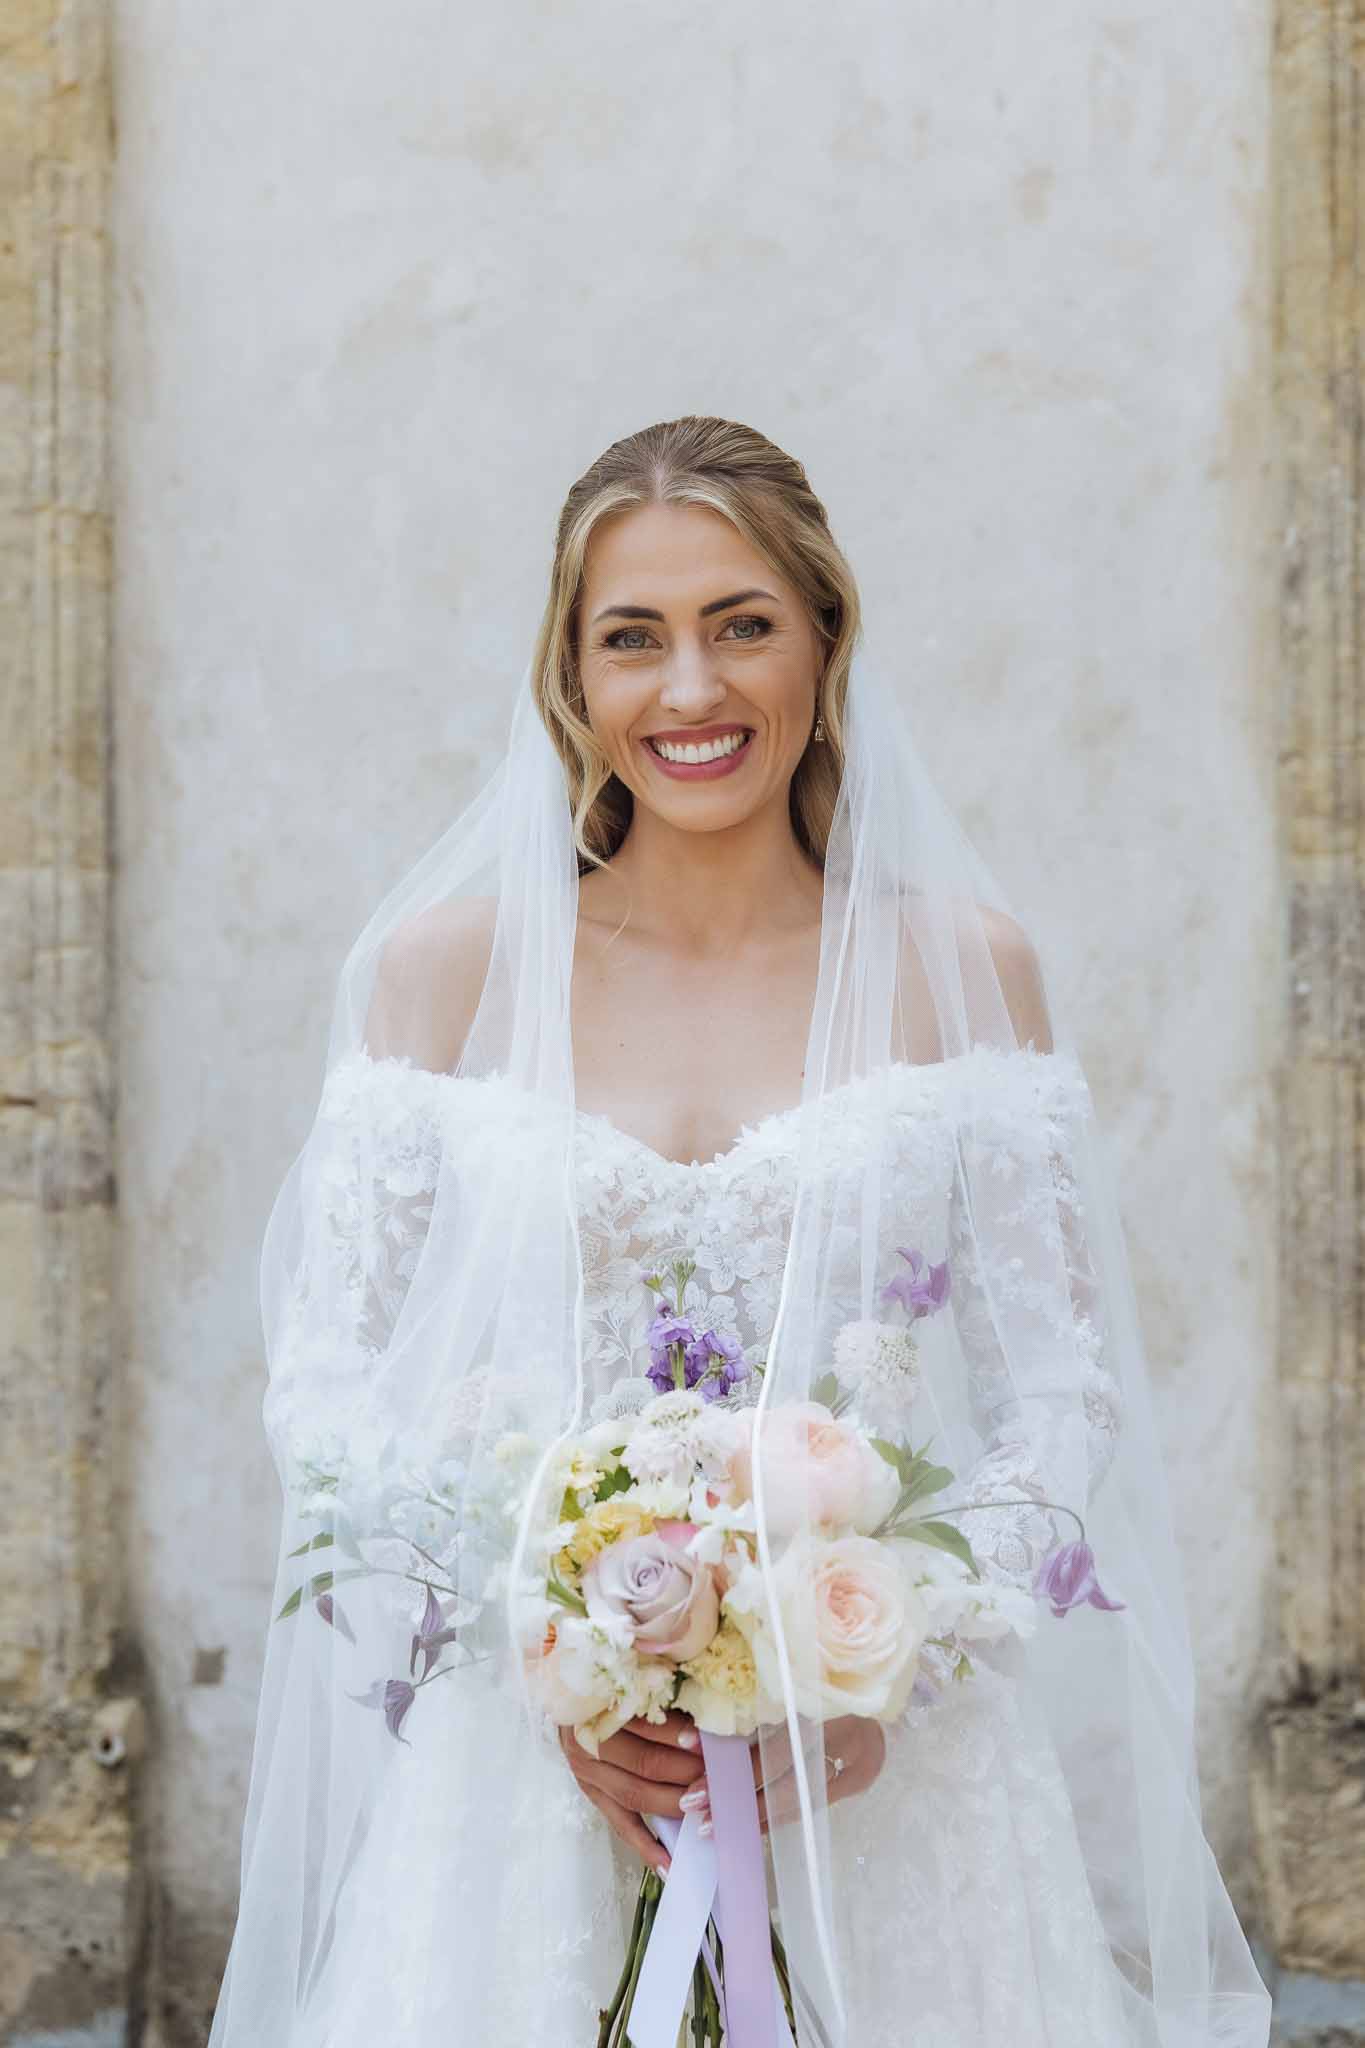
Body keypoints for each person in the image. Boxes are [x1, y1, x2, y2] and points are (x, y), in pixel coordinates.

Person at [209, 416, 1272, 2046]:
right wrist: (544, 1650)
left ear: (825, 642)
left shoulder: (958, 970)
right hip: (527, 1790)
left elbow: (1059, 1394)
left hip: (891, 1792)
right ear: (569, 679)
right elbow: (332, 1390)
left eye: (743, 625)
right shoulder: (440, 980)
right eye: (631, 637)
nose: (690, 691)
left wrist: (883, 1663)